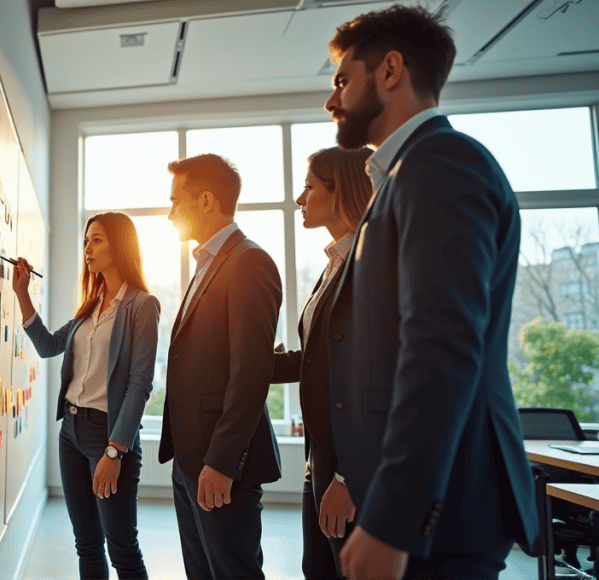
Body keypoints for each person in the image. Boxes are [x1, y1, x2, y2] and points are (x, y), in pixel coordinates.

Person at [320, 5, 540, 579]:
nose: (331, 98)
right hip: (428, 515)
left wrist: (393, 524)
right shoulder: (401, 178)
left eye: (343, 79)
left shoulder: (440, 164)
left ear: (389, 71)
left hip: (443, 521)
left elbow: (440, 348)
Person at [13, 211, 159, 580]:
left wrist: (115, 449)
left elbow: (140, 384)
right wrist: (21, 293)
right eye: (85, 241)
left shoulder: (142, 306)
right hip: (71, 434)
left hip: (108, 438)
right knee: (87, 544)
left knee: (122, 547)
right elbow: (48, 346)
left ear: (120, 246)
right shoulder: (90, 307)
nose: (87, 249)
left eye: (97, 240)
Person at [159, 153, 283, 580]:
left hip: (220, 462)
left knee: (233, 573)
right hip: (190, 460)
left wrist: (223, 461)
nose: (170, 211)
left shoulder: (249, 261)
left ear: (207, 200)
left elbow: (250, 372)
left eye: (177, 201)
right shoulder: (208, 263)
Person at [270, 146, 373, 579]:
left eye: (309, 187)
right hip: (321, 455)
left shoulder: (370, 265)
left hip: (352, 464)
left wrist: (349, 477)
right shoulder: (335, 263)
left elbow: (374, 378)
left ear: (341, 191)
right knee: (317, 569)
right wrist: (251, 362)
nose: (299, 199)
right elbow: (318, 360)